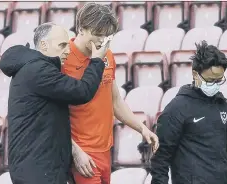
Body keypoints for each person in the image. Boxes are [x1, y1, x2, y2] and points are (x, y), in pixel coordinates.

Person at [0, 22, 110, 184]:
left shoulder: (31, 68)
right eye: (62, 45)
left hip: (36, 168)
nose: (68, 50)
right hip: (38, 171)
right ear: (44, 45)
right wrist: (96, 61)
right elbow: (81, 91)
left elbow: (50, 122)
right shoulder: (39, 70)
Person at [62, 3, 159, 184]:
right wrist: (74, 151)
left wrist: (142, 128)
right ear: (81, 28)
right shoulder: (63, 58)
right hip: (82, 154)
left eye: (107, 36)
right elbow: (51, 115)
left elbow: (115, 101)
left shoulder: (107, 56)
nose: (102, 41)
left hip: (105, 150)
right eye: (98, 35)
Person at [151, 41, 227, 184]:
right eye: (210, 80)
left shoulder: (223, 107)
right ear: (195, 74)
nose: (215, 84)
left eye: (219, 80)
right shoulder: (176, 109)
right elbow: (161, 159)